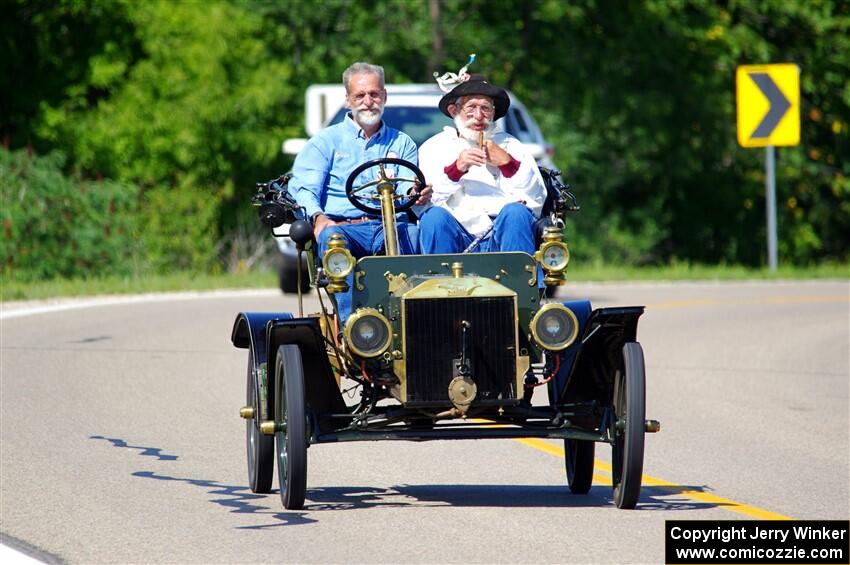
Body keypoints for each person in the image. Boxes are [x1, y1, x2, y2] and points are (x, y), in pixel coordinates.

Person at [290, 62, 431, 321]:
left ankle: (415, 321)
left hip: (388, 226)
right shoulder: (325, 142)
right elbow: (302, 188)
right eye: (360, 95)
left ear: (384, 96)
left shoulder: (403, 143)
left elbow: (406, 188)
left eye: (374, 94)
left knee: (413, 233)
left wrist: (416, 193)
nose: (368, 101)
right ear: (348, 101)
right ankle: (353, 328)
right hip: (344, 228)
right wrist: (319, 218)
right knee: (333, 239)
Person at [417, 75, 545, 256]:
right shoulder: (434, 147)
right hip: (455, 232)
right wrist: (456, 169)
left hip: (499, 234)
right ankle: (439, 279)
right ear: (454, 110)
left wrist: (507, 163)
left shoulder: (511, 145)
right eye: (471, 108)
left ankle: (519, 280)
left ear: (493, 113)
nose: (478, 117)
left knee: (516, 213)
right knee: (433, 217)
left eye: (485, 108)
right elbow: (422, 203)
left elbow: (535, 199)